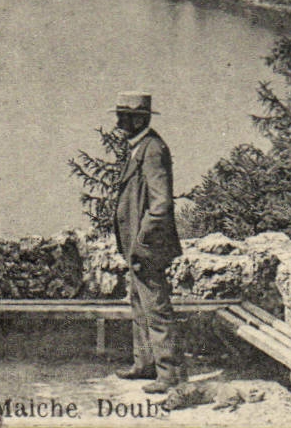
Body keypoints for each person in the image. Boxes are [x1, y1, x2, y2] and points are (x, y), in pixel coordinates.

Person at [111, 92, 183, 393]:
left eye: (123, 116)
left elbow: (161, 204)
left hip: (147, 246)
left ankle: (169, 375)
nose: (118, 122)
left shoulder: (151, 149)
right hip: (138, 247)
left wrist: (141, 241)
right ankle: (145, 364)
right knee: (139, 303)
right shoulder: (139, 147)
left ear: (140, 119)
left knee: (155, 307)